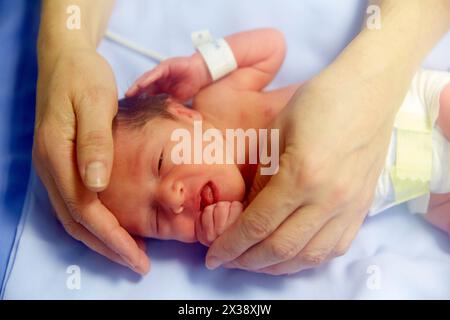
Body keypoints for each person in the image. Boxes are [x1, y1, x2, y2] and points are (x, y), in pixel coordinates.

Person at [34, 0, 450, 275]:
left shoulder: (221, 103)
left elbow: (272, 46)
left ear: (182, 113)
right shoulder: (238, 218)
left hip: (409, 104)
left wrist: (204, 65)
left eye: (162, 162)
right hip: (407, 189)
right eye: (158, 219)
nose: (174, 197)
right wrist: (229, 230)